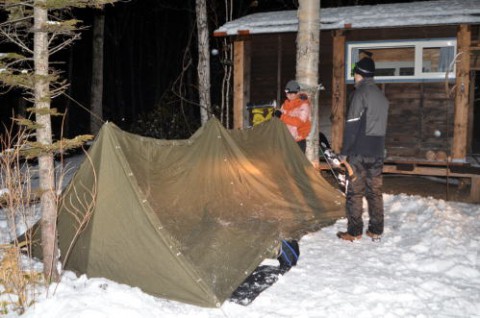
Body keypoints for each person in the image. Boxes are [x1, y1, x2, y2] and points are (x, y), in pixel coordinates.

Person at [336, 57, 389, 242]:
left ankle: (354, 231)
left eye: (355, 73)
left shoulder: (359, 94)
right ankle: (376, 229)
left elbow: (351, 126)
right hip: (377, 151)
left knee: (354, 192)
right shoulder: (382, 96)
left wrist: (345, 152)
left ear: (359, 74)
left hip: (358, 152)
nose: (354, 77)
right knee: (374, 191)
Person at [274, 80, 312, 153]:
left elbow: (298, 122)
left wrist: (281, 116)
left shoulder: (304, 105)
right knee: (286, 163)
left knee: (298, 163)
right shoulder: (285, 105)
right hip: (286, 140)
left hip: (298, 140)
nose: (289, 96)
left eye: (292, 94)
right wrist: (276, 115)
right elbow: (280, 120)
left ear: (297, 93)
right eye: (288, 94)